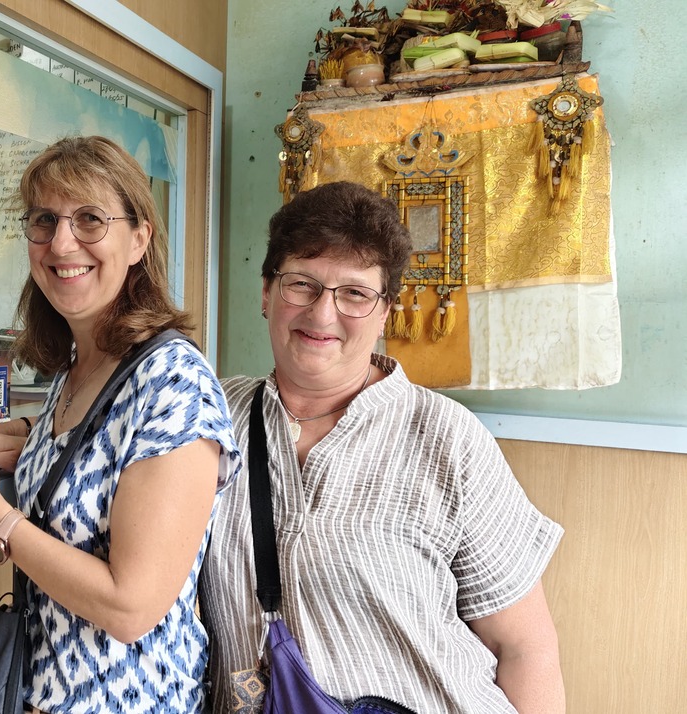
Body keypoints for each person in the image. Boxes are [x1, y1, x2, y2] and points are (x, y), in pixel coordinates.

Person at [200, 181, 565, 713]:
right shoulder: (208, 416)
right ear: (266, 293)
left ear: (385, 312)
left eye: (354, 293)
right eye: (302, 284)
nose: (323, 315)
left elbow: (524, 647)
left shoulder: (447, 438)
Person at [0, 136, 242, 712]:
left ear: (139, 238)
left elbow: (130, 608)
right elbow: (104, 458)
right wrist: (32, 435)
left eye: (90, 219)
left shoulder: (174, 381)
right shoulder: (76, 370)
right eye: (45, 220)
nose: (62, 243)